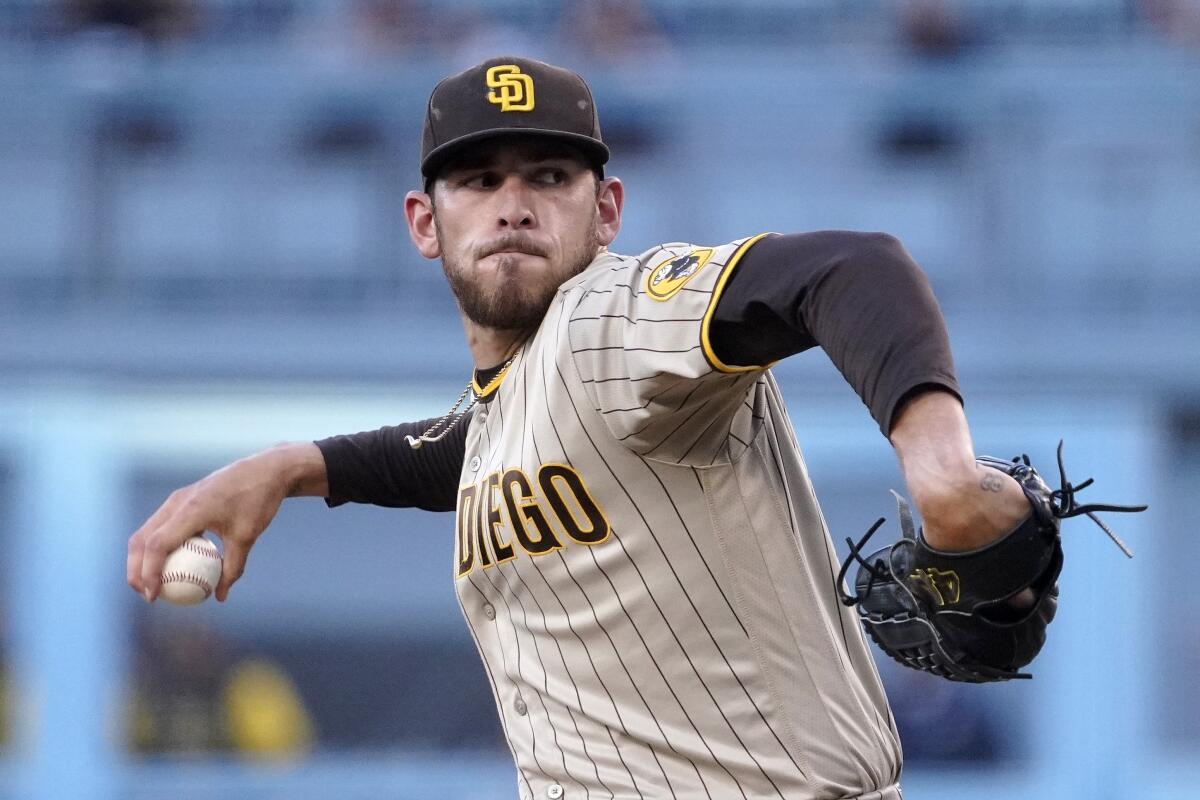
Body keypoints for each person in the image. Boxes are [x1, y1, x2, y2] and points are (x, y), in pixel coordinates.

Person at [127, 56, 1033, 799]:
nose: (513, 204)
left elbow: (849, 268)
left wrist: (944, 476)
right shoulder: (519, 402)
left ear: (607, 212)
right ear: (423, 222)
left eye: (550, 178)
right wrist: (295, 465)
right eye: (479, 180)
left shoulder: (611, 313)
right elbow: (469, 447)